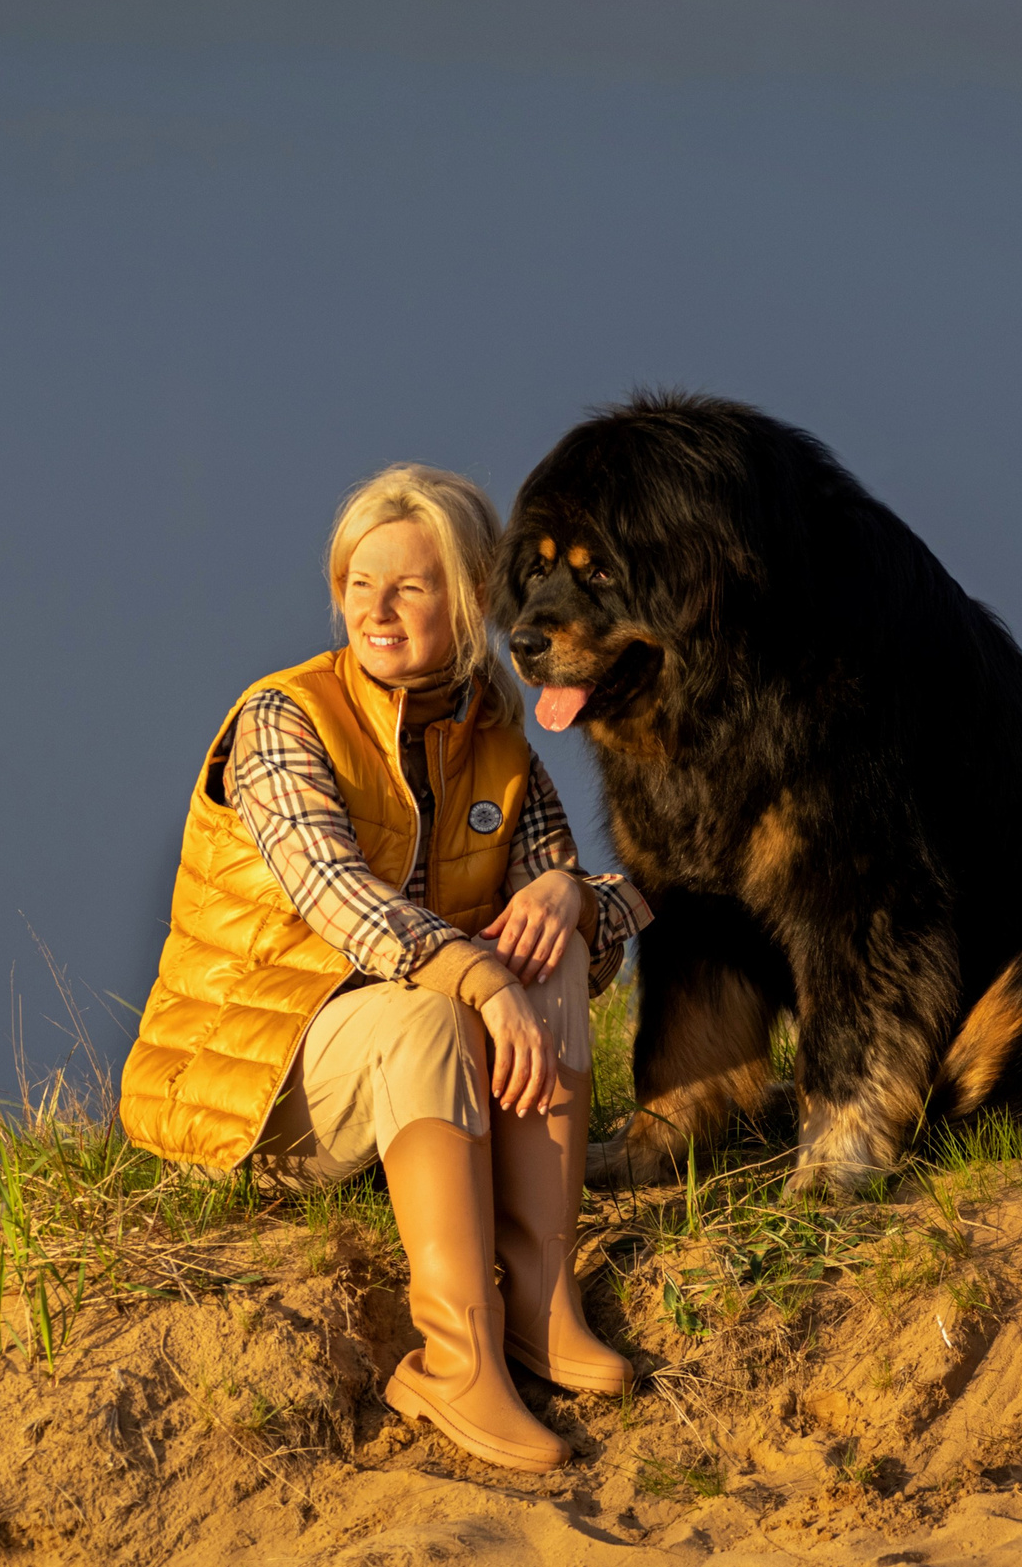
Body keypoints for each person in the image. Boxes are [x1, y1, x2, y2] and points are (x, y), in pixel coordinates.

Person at [120, 464, 651, 1473]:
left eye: (411, 586)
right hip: (262, 1088)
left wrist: (575, 899)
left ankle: (541, 1302)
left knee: (545, 957)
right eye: (359, 584)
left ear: (472, 601)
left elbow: (587, 942)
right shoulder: (281, 721)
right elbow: (347, 909)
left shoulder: (499, 739)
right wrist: (485, 981)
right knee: (438, 1012)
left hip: (411, 1070)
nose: (377, 610)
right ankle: (455, 1357)